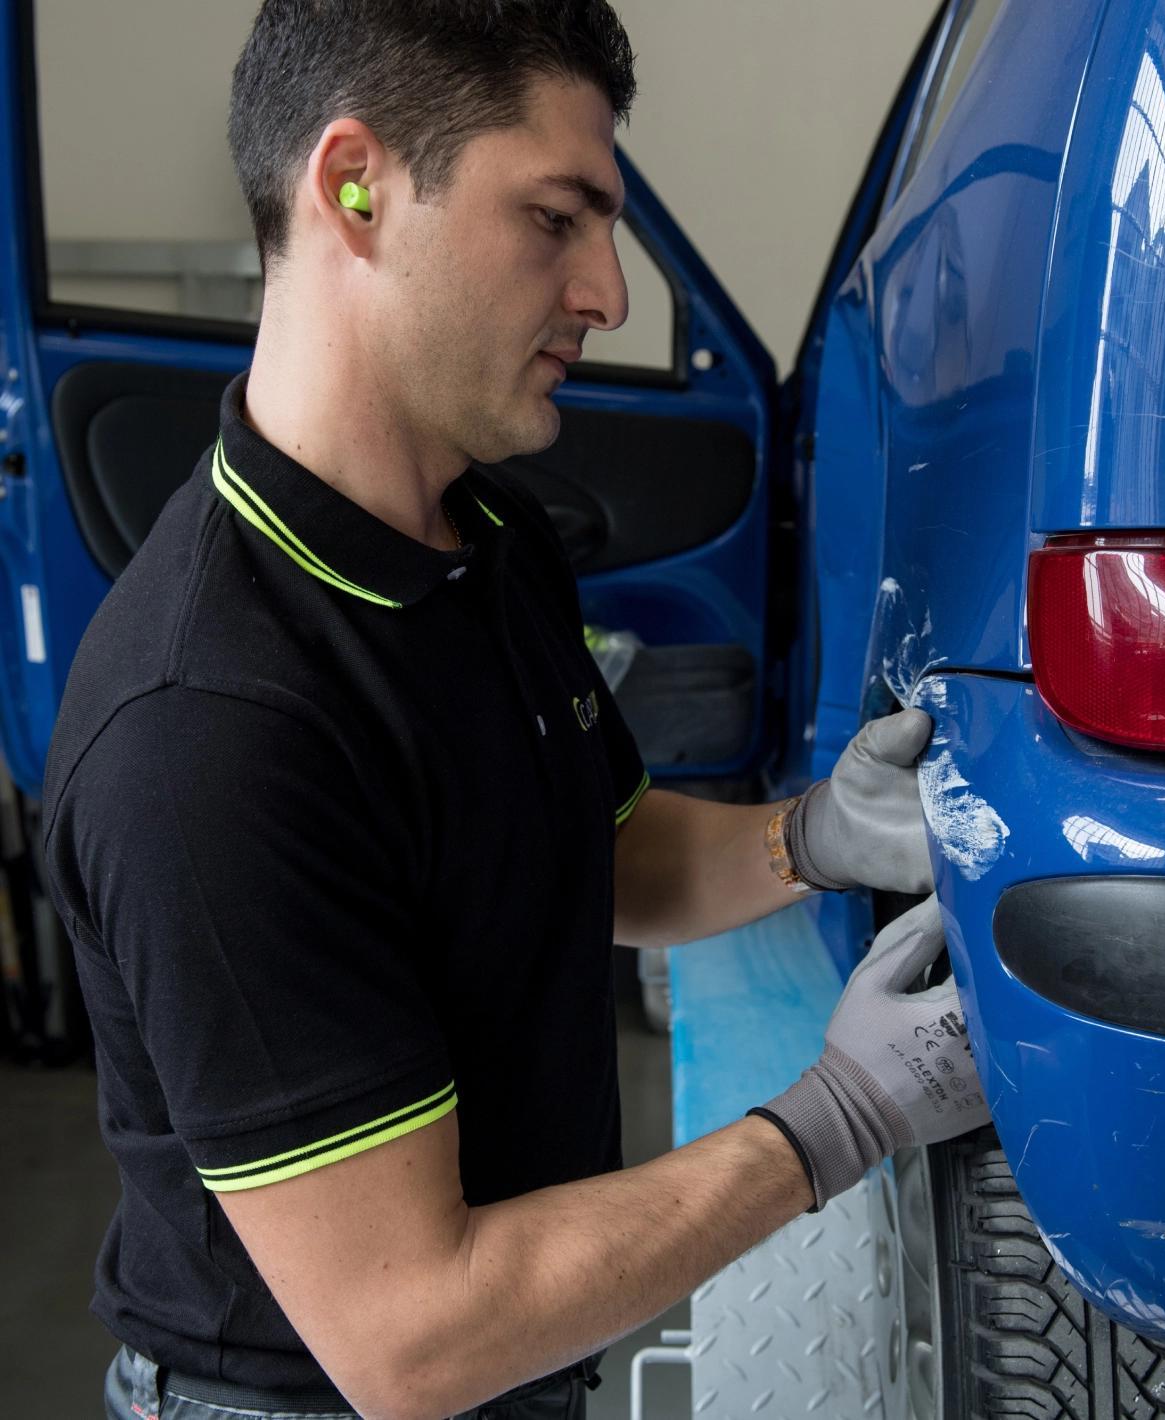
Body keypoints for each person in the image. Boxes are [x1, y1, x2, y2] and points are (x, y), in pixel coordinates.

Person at [41, 4, 982, 1418]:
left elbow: (587, 859)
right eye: (556, 218)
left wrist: (811, 836)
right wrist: (835, 1122)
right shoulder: (212, 733)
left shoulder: (483, 534)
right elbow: (414, 1339)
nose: (606, 290)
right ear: (354, 186)